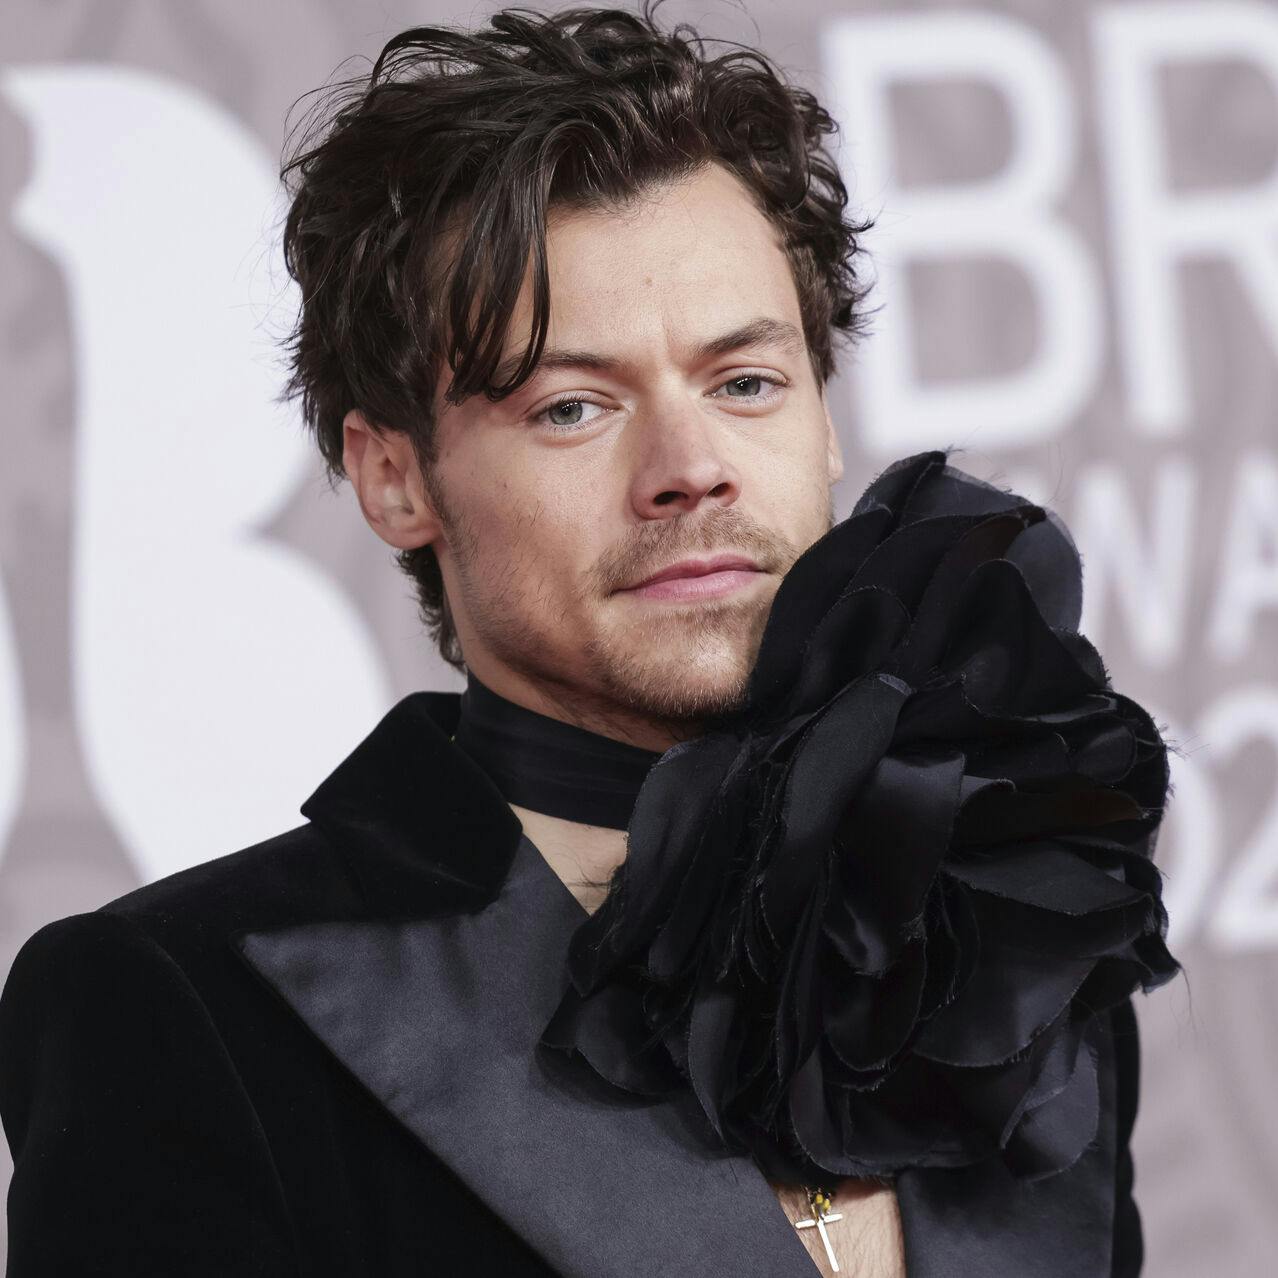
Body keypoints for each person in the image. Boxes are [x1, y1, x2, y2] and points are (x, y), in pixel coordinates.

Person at [0, 5, 1167, 1275]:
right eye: (571, 406)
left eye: (745, 383)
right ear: (396, 480)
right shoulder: (182, 1016)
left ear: (826, 423)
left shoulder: (1009, 916)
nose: (690, 469)